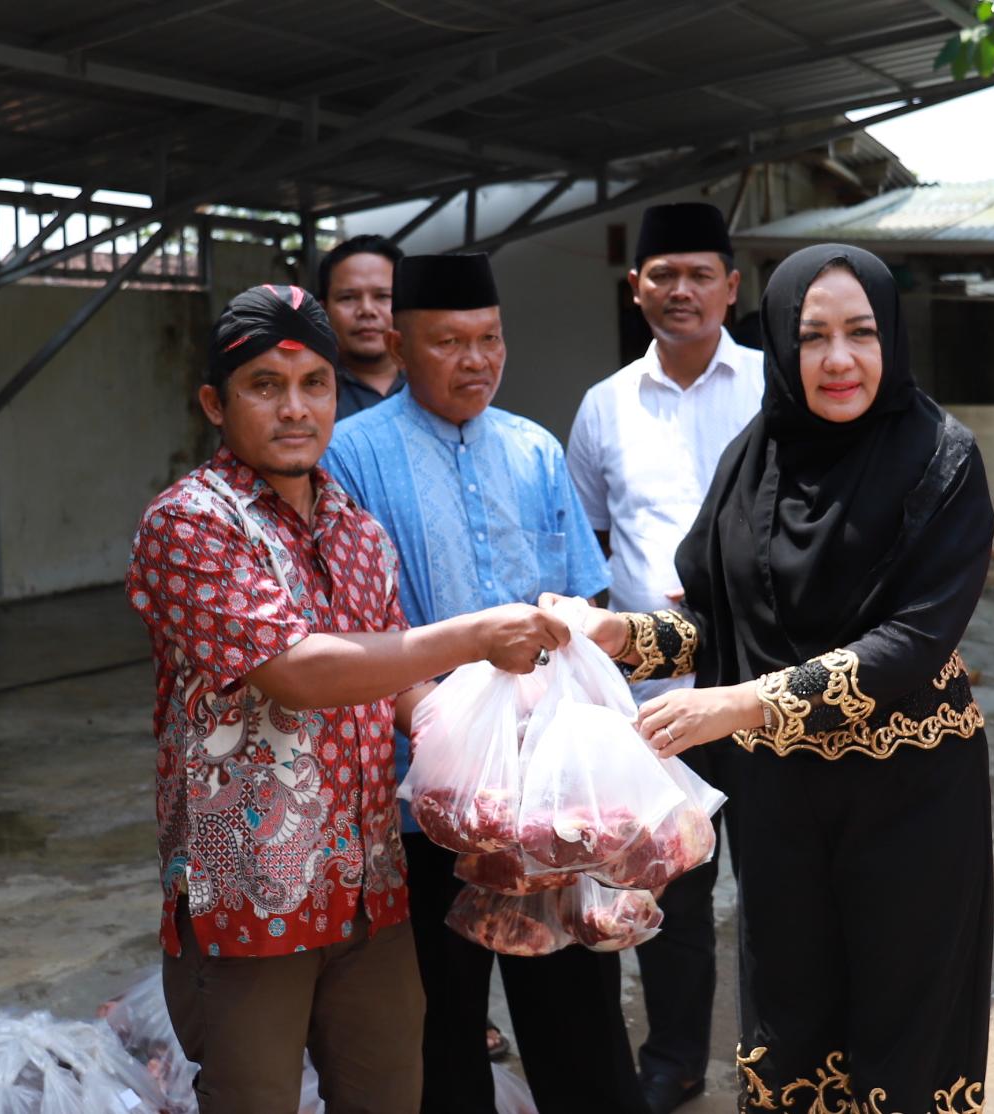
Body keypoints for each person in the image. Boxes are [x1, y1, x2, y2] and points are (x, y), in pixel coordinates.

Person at [553, 244, 994, 1112]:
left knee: (902, 1033)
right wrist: (619, 635)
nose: (838, 359)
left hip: (910, 805)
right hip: (785, 811)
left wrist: (744, 703)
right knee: (791, 1025)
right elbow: (718, 626)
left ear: (891, 337)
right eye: (813, 336)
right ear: (783, 348)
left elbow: (912, 640)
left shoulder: (941, 458)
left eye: (861, 333)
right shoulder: (755, 459)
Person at [125, 283, 570, 1114]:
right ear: (216, 404)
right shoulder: (191, 523)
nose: (296, 409)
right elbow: (299, 671)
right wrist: (474, 635)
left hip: (371, 888)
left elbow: (396, 681)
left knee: (389, 1095)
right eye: (265, 386)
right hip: (248, 893)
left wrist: (494, 757)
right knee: (254, 1099)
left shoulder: (357, 530)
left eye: (314, 385)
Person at [322, 253, 647, 1114]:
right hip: (416, 797)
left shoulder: (534, 448)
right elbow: (349, 634)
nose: (476, 361)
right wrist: (440, 724)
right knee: (439, 1027)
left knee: (577, 1014)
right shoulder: (350, 457)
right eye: (448, 342)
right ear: (398, 346)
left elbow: (581, 599)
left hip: (545, 794)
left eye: (490, 339)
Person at [567, 201, 763, 1114]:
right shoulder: (603, 407)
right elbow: (591, 544)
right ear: (634, 287)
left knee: (779, 882)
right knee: (672, 888)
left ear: (732, 286)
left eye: (700, 274)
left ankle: (784, 1055)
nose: (681, 290)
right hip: (654, 696)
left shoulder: (776, 386)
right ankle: (676, 1058)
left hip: (765, 686)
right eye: (664, 275)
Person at [317, 234, 406, 419]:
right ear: (323, 310)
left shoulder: (434, 386)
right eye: (348, 298)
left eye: (383, 296)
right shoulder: (309, 394)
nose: (367, 310)